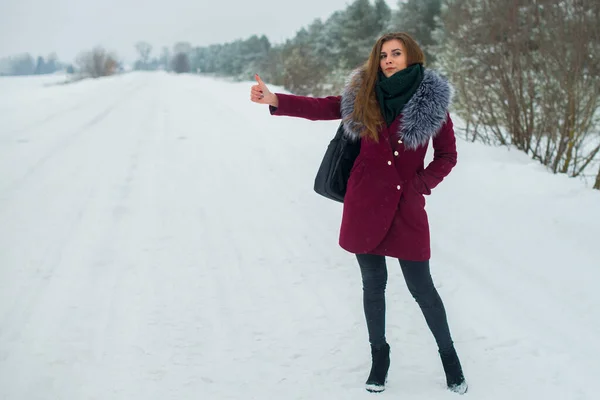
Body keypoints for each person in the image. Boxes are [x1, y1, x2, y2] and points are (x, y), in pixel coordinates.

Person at [250, 32, 467, 395]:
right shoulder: (363, 94)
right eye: (383, 55)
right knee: (373, 285)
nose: (388, 60)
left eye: (396, 54)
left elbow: (447, 156)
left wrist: (419, 185)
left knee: (422, 288)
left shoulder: (432, 104)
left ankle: (450, 358)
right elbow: (324, 107)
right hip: (364, 203)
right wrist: (276, 99)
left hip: (405, 206)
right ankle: (379, 358)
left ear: (412, 57)